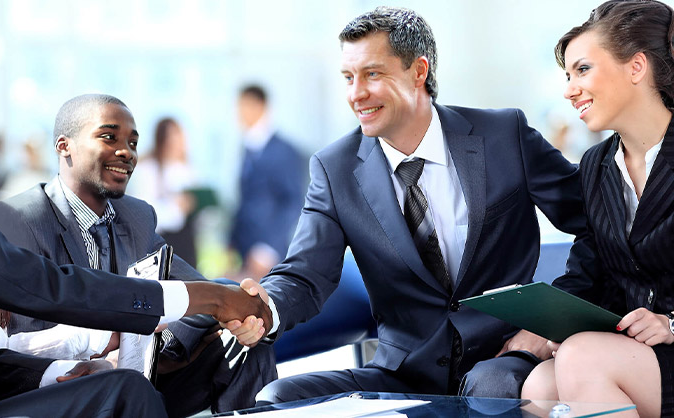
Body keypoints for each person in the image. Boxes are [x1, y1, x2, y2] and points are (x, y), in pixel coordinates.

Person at [230, 6, 596, 404]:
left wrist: (547, 324)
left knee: (490, 388)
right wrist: (265, 308)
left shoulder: (504, 135)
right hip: (402, 371)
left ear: (418, 72)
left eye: (372, 74)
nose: (356, 94)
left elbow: (597, 223)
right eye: (349, 78)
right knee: (279, 396)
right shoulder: (334, 170)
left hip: (503, 357)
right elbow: (305, 274)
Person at [0, 62, 271, 418]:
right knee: (125, 391)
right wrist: (211, 299)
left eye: (133, 141)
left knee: (215, 358)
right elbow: (47, 287)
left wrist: (73, 370)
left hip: (36, 382)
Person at [0, 95, 276, 416]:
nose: (126, 151)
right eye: (108, 137)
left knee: (245, 343)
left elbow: (193, 290)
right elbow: (22, 346)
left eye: (133, 142)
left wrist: (238, 318)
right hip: (67, 389)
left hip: (135, 374)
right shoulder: (21, 217)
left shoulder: (136, 216)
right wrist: (112, 350)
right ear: (63, 146)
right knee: (130, 383)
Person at [521, 1, 674, 416]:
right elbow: (588, 272)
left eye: (582, 70)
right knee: (540, 384)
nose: (570, 90)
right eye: (567, 76)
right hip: (641, 352)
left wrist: (671, 323)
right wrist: (543, 321)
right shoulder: (596, 166)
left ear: (636, 67)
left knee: (582, 357)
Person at [229, 85, 306, 280]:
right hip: (244, 250)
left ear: (260, 106)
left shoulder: (284, 151)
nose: (239, 113)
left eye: (244, 106)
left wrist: (268, 249)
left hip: (267, 255)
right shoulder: (247, 147)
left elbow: (293, 202)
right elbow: (245, 200)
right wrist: (231, 243)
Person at [128, 117, 199, 266]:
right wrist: (176, 207)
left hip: (186, 244)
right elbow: (145, 212)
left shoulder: (187, 170)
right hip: (160, 244)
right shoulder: (148, 169)